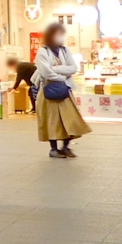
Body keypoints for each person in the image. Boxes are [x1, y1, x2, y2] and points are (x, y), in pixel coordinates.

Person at [34, 21, 91, 158]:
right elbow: (45, 72)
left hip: (65, 91)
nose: (60, 37)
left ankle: (65, 146)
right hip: (48, 90)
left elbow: (73, 68)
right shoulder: (42, 51)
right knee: (51, 120)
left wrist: (56, 69)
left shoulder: (65, 51)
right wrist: (62, 76)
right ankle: (53, 149)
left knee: (70, 119)